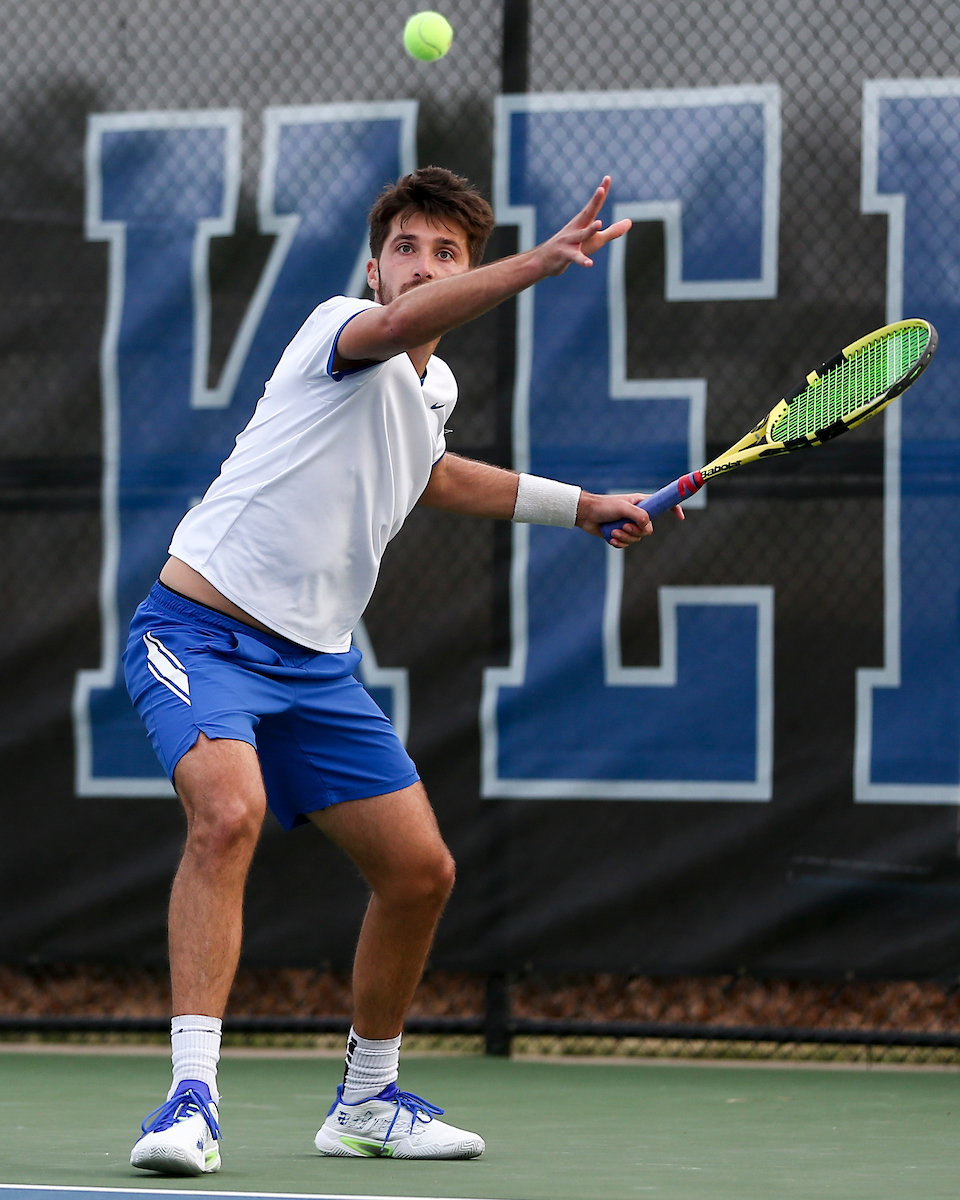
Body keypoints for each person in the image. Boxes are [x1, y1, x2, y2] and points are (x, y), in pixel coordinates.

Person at [125, 166, 676, 1175]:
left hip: (317, 669)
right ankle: (188, 1102)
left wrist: (584, 503)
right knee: (228, 813)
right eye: (409, 250)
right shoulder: (339, 331)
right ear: (375, 271)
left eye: (447, 252)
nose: (424, 266)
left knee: (421, 874)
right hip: (198, 635)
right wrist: (538, 262)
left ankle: (367, 1102)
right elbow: (398, 336)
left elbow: (434, 475)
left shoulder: (436, 388)